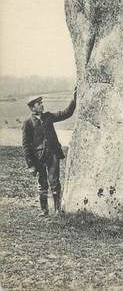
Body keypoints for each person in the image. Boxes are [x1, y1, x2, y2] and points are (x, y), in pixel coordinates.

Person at [22, 87, 77, 216]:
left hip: (53, 154)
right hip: (38, 157)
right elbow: (26, 146)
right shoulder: (28, 123)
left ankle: (57, 210)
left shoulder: (48, 117)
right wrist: (31, 164)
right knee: (42, 183)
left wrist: (74, 100)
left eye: (41, 103)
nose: (42, 105)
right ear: (32, 108)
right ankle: (44, 210)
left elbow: (66, 113)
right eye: (39, 104)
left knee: (55, 182)